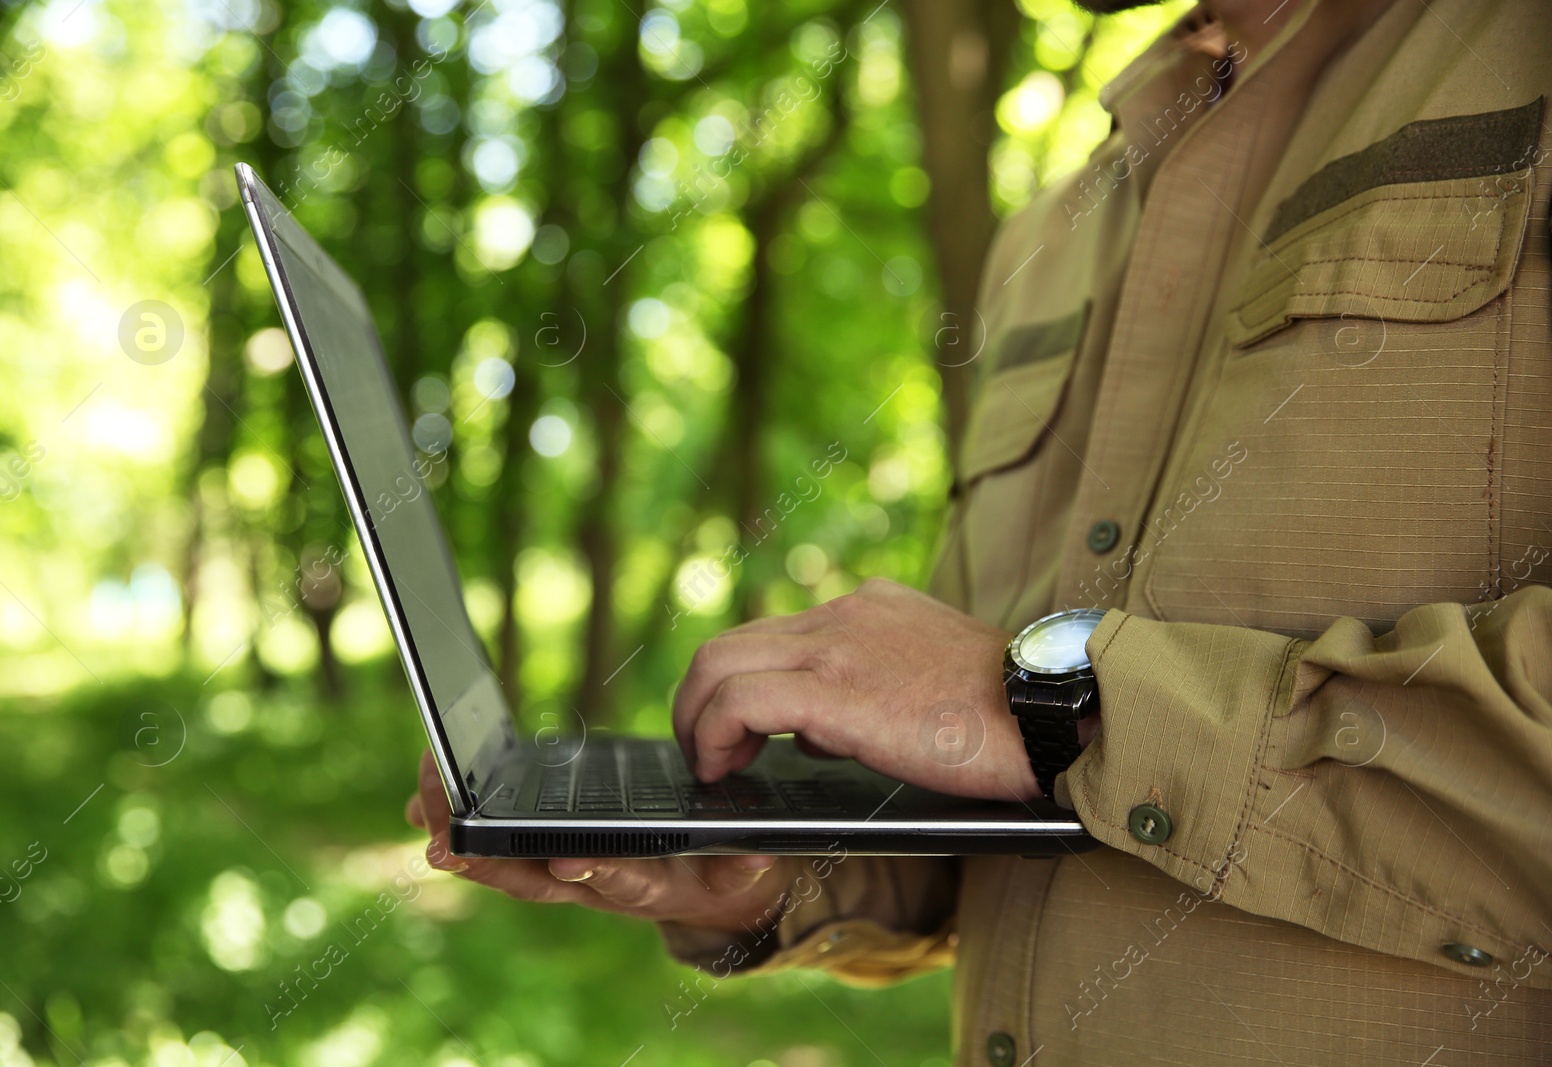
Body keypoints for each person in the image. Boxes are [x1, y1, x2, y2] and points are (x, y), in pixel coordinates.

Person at [409, 0, 1552, 1061]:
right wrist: (752, 876)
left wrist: (1066, 704)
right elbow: (993, 812)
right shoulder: (1055, 232)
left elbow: (1027, 721)